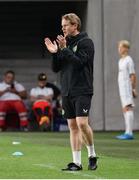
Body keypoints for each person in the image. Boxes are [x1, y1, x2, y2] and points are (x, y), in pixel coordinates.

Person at [45, 13, 98, 171]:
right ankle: (76, 162)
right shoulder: (64, 43)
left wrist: (64, 49)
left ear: (75, 25)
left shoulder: (86, 42)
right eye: (62, 26)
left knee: (82, 124)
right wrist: (55, 53)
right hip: (67, 90)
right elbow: (56, 68)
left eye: (66, 25)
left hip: (82, 89)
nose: (63, 28)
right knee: (73, 126)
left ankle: (92, 154)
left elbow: (79, 63)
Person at [116, 40, 137, 140]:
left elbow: (133, 75)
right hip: (122, 88)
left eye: (121, 47)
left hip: (127, 87)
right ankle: (126, 131)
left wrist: (133, 89)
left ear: (126, 48)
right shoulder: (121, 61)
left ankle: (129, 132)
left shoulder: (129, 60)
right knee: (125, 108)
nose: (119, 49)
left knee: (128, 107)